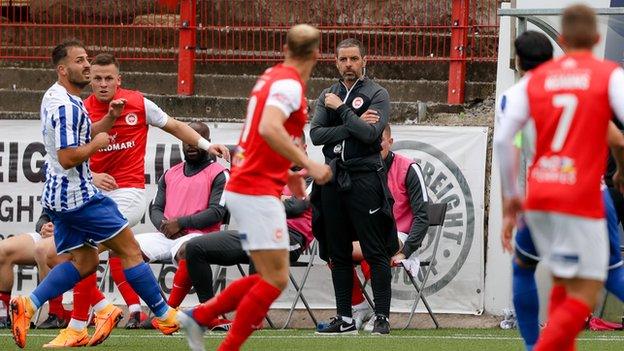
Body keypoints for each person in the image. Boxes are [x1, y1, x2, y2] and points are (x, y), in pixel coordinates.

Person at [8, 39, 227, 349]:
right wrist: (96, 153)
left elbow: (175, 125)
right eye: (86, 67)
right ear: (62, 69)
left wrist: (206, 145)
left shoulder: (98, 100)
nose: (94, 75)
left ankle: (44, 309)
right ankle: (155, 314)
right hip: (83, 195)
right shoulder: (72, 105)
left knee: (84, 258)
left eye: (104, 74)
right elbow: (69, 156)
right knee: (124, 251)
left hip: (110, 194)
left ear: (119, 79)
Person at [175, 24, 332, 351]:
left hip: (252, 185)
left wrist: (288, 176)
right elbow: (269, 128)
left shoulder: (272, 76)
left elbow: (268, 138)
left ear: (286, 49)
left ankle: (201, 316)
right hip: (255, 190)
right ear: (317, 54)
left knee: (269, 276)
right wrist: (312, 165)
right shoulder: (289, 85)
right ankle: (213, 330)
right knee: (274, 279)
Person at [494, 6, 624, 350]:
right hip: (586, 194)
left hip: (541, 195)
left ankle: (533, 344)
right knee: (597, 282)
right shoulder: (604, 76)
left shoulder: (527, 89)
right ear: (597, 39)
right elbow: (618, 136)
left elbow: (507, 140)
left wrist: (511, 200)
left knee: (532, 269)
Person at [183, 136, 315, 330]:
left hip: (291, 237)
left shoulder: (312, 174)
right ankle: (209, 315)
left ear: (304, 147)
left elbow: (296, 207)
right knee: (195, 247)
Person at [310, 38, 396, 335]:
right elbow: (317, 135)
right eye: (343, 59)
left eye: (354, 59)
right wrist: (354, 122)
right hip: (334, 179)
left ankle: (382, 316)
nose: (348, 64)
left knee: (375, 249)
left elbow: (372, 135)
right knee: (338, 252)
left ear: (364, 60)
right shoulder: (327, 94)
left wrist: (344, 110)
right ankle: (345, 318)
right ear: (336, 62)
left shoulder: (377, 93)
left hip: (365, 179)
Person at [317, 124, 430, 331]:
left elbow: (423, 215)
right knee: (336, 248)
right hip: (367, 232)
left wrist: (406, 251)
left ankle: (379, 314)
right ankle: (360, 306)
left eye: (379, 142)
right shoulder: (357, 168)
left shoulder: (408, 168)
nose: (375, 148)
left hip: (398, 235)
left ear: (390, 142)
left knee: (364, 248)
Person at [135, 121, 227, 318]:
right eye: (187, 139)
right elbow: (156, 208)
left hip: (201, 237)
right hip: (168, 234)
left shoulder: (219, 173)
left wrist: (182, 223)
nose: (191, 144)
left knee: (190, 249)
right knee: (124, 248)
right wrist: (166, 226)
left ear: (207, 142)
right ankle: (140, 311)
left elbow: (216, 212)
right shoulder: (170, 173)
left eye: (197, 140)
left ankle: (166, 313)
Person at [0, 212, 67, 328]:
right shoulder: (52, 193)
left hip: (74, 235)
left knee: (42, 250)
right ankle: (3, 315)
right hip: (50, 236)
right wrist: (44, 227)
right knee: (3, 250)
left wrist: (61, 229)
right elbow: (44, 216)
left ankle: (57, 313)